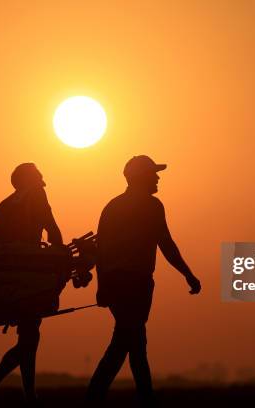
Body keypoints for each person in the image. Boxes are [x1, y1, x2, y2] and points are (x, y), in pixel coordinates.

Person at [87, 155, 201, 405]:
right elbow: (167, 245)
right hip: (135, 285)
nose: (158, 177)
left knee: (129, 341)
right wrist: (188, 275)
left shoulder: (112, 207)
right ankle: (122, 396)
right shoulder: (152, 206)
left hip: (118, 285)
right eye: (153, 173)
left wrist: (102, 287)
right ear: (140, 178)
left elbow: (101, 253)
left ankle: (99, 396)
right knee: (132, 342)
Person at [0, 162, 63, 407]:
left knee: (29, 336)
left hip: (6, 281)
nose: (43, 178)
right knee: (30, 337)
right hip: (28, 277)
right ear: (31, 180)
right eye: (38, 175)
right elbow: (52, 230)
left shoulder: (5, 205)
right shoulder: (36, 194)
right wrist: (61, 261)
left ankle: (23, 392)